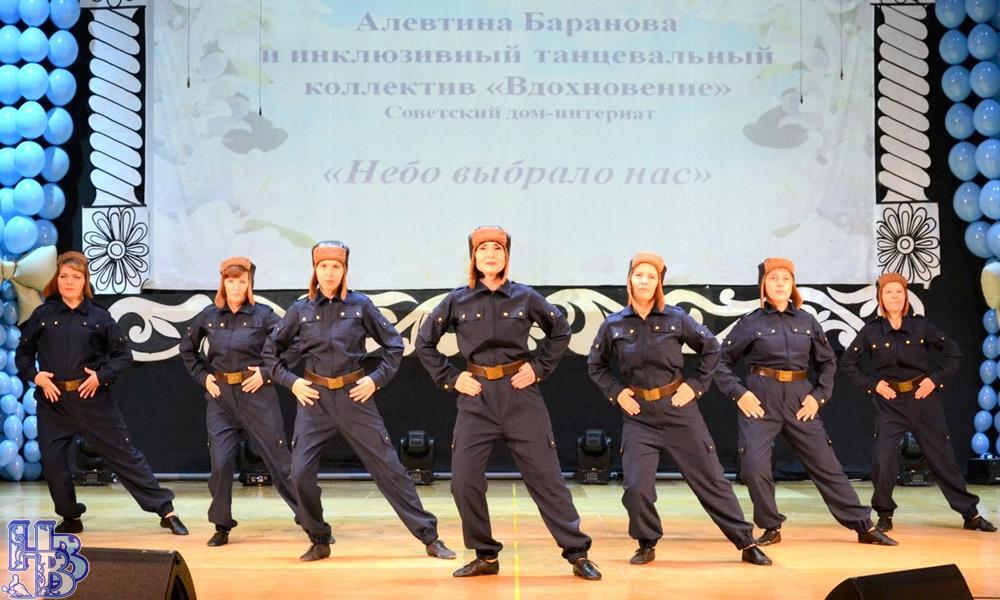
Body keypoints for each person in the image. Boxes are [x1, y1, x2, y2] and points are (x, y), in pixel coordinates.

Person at [416, 226, 601, 580]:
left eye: (497, 248)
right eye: (483, 248)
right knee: (463, 481)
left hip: (520, 397)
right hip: (477, 398)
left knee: (547, 479)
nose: (490, 254)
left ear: (506, 256)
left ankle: (577, 553)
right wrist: (452, 378)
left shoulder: (525, 297)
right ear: (473, 256)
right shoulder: (457, 300)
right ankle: (485, 554)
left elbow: (561, 330)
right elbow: (424, 343)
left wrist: (539, 368)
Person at [263, 241, 455, 562]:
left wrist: (374, 380)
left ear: (344, 271)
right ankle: (319, 537)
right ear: (315, 270)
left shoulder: (360, 305)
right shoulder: (300, 310)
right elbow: (270, 352)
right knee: (299, 473)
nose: (329, 273)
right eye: (323, 266)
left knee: (390, 469)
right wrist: (292, 382)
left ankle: (430, 537)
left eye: (335, 267)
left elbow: (394, 345)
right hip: (314, 400)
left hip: (354, 397)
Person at [588, 252, 771, 566]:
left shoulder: (676, 318)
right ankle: (647, 542)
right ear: (629, 279)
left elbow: (711, 349)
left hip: (678, 411)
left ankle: (745, 541)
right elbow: (596, 365)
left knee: (712, 480)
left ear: (659, 282)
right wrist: (617, 394)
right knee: (635, 487)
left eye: (651, 276)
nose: (644, 281)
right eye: (638, 275)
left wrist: (695, 386)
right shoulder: (613, 324)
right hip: (639, 416)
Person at [713, 257, 896, 546]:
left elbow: (827, 363)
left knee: (827, 465)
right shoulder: (750, 323)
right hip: (761, 398)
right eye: (773, 279)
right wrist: (740, 393)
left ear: (793, 285)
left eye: (785, 279)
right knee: (754, 466)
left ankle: (863, 526)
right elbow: (720, 362)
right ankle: (771, 526)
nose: (780, 284)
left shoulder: (807, 321)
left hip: (800, 399)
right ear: (763, 285)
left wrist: (817, 396)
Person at [16, 251, 188, 535]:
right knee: (53, 462)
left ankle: (165, 510)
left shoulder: (99, 316)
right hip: (53, 402)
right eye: (64, 276)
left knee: (124, 456)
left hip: (92, 401)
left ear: (85, 281)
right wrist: (35, 376)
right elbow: (23, 354)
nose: (69, 282)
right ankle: (70, 515)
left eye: (76, 277)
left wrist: (100, 376)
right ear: (56, 279)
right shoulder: (43, 315)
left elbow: (123, 356)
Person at [840, 272, 996, 533]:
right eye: (888, 292)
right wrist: (873, 384)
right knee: (883, 460)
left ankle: (970, 514)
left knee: (942, 459)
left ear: (906, 297)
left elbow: (953, 353)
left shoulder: (922, 327)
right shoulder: (872, 331)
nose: (894, 297)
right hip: (890, 403)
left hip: (923, 400)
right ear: (880, 297)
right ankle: (885, 514)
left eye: (899, 292)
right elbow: (848, 362)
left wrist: (934, 380)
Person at [179, 256, 299, 546]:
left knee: (280, 463)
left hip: (256, 395)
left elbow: (294, 346)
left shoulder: (264, 315)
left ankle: (312, 520)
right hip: (221, 397)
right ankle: (221, 525)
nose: (235, 286)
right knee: (221, 463)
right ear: (223, 283)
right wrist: (204, 377)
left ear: (249, 284)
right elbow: (187, 348)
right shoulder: (210, 315)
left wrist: (266, 374)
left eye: (241, 281)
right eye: (230, 281)